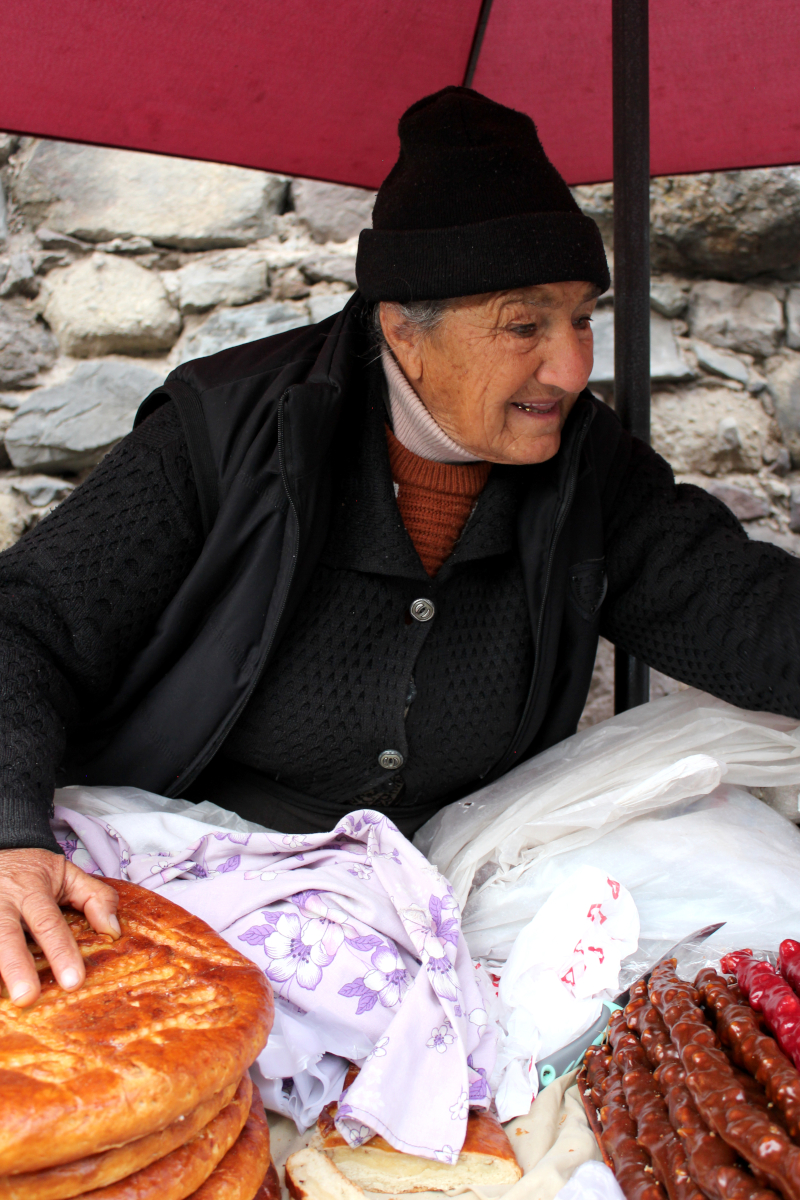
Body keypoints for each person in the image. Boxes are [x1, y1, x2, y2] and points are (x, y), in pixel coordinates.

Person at [2, 87, 799, 1007]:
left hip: (435, 885)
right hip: (193, 867)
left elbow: (739, 610)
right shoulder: (226, 434)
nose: (573, 367)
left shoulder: (589, 466)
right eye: (524, 324)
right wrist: (7, 835)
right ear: (402, 332)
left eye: (581, 316)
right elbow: (28, 620)